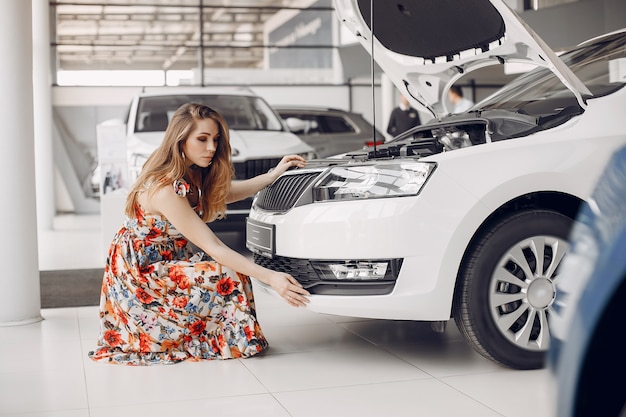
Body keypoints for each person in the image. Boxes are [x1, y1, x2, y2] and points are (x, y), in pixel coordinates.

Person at [88, 102, 310, 365]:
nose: (212, 148)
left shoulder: (192, 172)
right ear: (180, 140)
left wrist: (273, 174)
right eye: (202, 139)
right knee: (225, 272)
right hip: (140, 274)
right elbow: (214, 246)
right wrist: (272, 278)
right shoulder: (166, 188)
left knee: (232, 272)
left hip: (167, 260)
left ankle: (227, 340)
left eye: (215, 139)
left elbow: (229, 192)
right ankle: (211, 340)